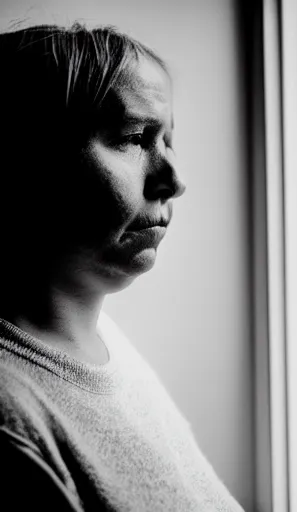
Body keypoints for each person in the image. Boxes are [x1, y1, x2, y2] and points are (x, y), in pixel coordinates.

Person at [0, 22, 244, 511]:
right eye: (135, 138)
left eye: (168, 139)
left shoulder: (103, 339)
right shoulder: (12, 417)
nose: (173, 180)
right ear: (25, 158)